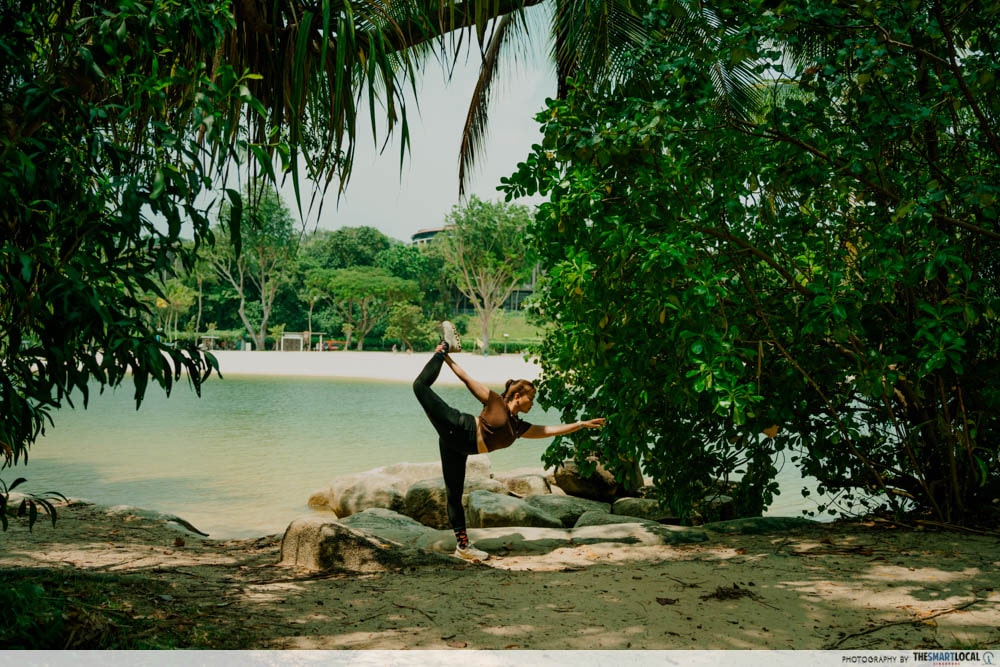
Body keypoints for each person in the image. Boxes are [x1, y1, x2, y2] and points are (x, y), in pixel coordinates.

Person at [412, 335, 607, 563]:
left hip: (457, 448)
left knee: (453, 496)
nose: (532, 403)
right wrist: (446, 356)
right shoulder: (496, 402)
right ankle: (444, 346)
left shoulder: (518, 427)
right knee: (419, 386)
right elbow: (466, 379)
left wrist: (580, 424)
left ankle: (463, 547)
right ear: (517, 396)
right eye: (530, 398)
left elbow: (549, 430)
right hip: (457, 427)